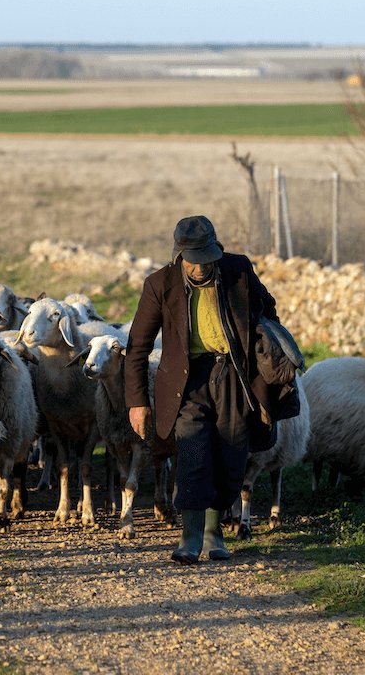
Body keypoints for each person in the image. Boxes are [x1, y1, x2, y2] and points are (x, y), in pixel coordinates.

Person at [123, 215, 280, 564]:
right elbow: (137, 347)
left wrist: (268, 352)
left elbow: (268, 310)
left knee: (231, 450)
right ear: (180, 256)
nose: (200, 267)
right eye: (193, 261)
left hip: (233, 374)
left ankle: (214, 534)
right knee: (192, 450)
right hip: (186, 380)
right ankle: (191, 536)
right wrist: (137, 401)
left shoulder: (237, 270)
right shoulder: (159, 284)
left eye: (207, 258)